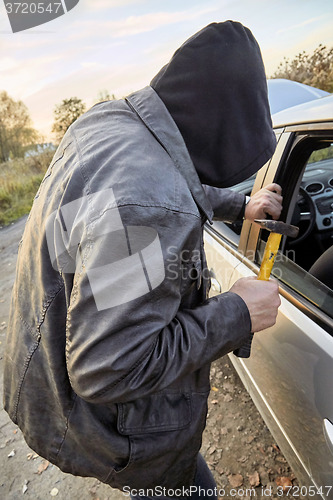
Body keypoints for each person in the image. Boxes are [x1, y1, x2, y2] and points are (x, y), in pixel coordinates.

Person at [3, 20, 282, 497]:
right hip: (105, 426)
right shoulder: (145, 207)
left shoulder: (111, 124)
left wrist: (239, 204)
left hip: (45, 379)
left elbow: (167, 177)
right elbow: (107, 366)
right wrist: (237, 312)